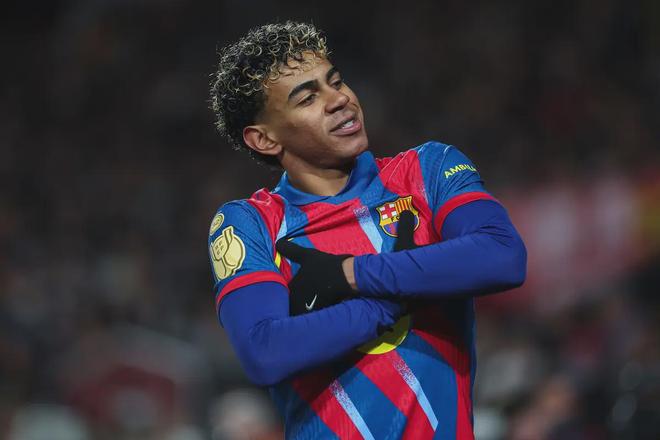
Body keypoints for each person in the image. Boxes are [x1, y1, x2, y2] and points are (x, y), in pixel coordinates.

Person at [208, 21, 526, 439]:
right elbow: (264, 352)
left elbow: (503, 255)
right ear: (264, 139)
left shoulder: (427, 171)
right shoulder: (251, 223)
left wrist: (353, 274)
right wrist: (384, 305)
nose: (339, 100)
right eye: (308, 98)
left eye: (336, 81)